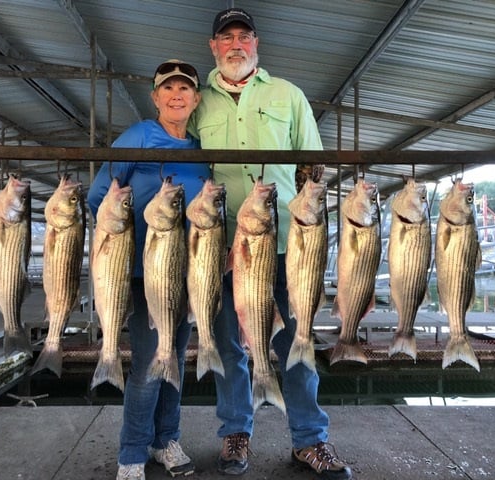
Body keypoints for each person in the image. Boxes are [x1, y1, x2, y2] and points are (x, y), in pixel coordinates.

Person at [190, 8, 353, 480]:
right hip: (222, 247)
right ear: (213, 47)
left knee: (297, 339)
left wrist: (306, 199)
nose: (235, 45)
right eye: (226, 38)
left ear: (256, 44)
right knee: (227, 343)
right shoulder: (199, 103)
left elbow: (313, 163)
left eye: (244, 36)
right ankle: (235, 432)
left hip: (287, 246)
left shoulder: (288, 95)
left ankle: (310, 440)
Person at [88, 59, 209, 480]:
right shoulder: (140, 135)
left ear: (195, 99)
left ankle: (165, 441)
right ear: (156, 97)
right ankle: (131, 454)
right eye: (168, 88)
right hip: (141, 274)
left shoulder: (199, 149)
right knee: (145, 364)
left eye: (185, 89)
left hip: (186, 272)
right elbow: (99, 194)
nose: (177, 94)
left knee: (173, 358)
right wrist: (123, 225)